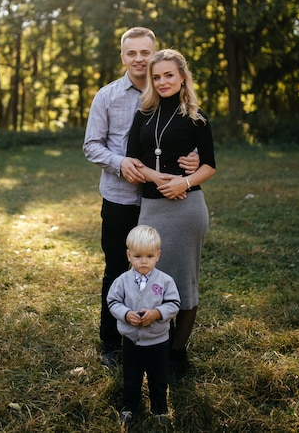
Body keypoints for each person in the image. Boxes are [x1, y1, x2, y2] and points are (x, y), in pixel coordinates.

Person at [83, 28, 199, 367]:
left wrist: (192, 155)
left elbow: (189, 132)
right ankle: (112, 343)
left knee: (163, 273)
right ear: (123, 57)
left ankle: (164, 344)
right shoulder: (107, 96)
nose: (138, 59)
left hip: (162, 202)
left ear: (153, 54)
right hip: (120, 198)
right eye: (131, 53)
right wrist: (120, 163)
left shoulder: (168, 93)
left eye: (145, 52)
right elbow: (91, 145)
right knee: (118, 268)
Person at [126, 48, 216, 383]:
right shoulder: (144, 114)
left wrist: (185, 182)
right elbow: (133, 160)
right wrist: (157, 177)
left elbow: (210, 164)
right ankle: (158, 344)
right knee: (151, 284)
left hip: (187, 209)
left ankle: (178, 353)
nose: (163, 82)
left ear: (181, 77)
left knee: (184, 284)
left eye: (169, 75)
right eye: (157, 76)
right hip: (151, 208)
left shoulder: (196, 115)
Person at [107, 225, 180, 430]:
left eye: (149, 256)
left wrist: (157, 314)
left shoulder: (165, 281)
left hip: (158, 341)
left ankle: (159, 409)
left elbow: (173, 304)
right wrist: (125, 314)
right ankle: (129, 407)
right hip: (132, 340)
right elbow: (113, 302)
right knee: (131, 376)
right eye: (138, 256)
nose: (144, 261)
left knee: (159, 377)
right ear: (129, 255)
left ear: (158, 255)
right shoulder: (122, 281)